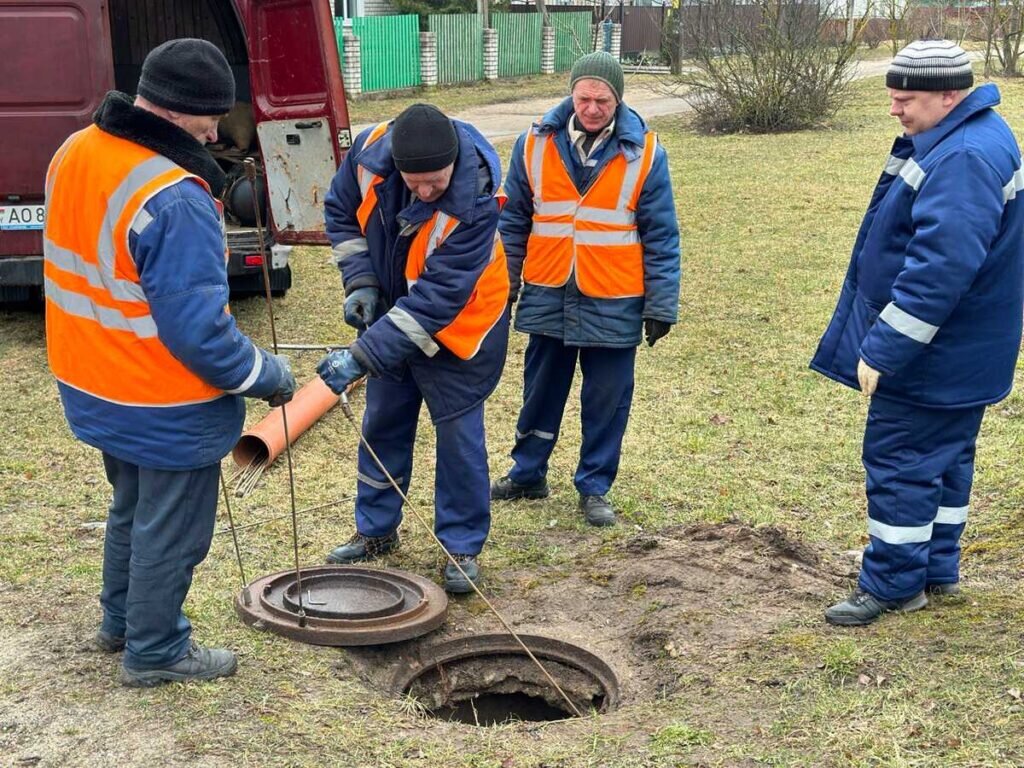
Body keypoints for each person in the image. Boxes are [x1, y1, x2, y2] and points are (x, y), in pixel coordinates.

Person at [43, 39, 295, 685]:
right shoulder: (174, 196)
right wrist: (266, 376)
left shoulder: (77, 151)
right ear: (179, 113)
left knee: (132, 508)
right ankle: (156, 652)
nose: (217, 132)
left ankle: (120, 622)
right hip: (159, 397)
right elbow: (201, 337)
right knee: (172, 531)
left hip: (89, 378)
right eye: (210, 119)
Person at [811, 40, 1024, 626]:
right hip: (968, 353)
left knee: (903, 460)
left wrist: (884, 346)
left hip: (934, 357)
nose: (895, 110)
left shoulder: (961, 157)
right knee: (946, 459)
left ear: (947, 96)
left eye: (905, 99)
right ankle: (934, 566)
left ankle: (893, 584)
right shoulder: (973, 134)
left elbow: (940, 269)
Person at [317, 103, 509, 593]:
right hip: (391, 312)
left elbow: (436, 299)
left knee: (459, 439)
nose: (424, 191)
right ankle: (376, 531)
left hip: (461, 324)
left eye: (435, 183)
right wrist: (360, 281)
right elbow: (340, 209)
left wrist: (362, 357)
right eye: (415, 181)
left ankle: (461, 547)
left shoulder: (478, 199)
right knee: (383, 422)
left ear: (453, 164)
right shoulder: (366, 156)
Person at [491, 51, 680, 527]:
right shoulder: (532, 143)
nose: (593, 108)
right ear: (571, 94)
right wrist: (505, 283)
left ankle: (595, 487)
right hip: (549, 290)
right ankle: (528, 473)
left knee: (606, 400)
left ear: (619, 99)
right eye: (584, 97)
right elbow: (513, 220)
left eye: (603, 99)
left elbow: (661, 234)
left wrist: (660, 303)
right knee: (540, 389)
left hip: (613, 297)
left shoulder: (646, 153)